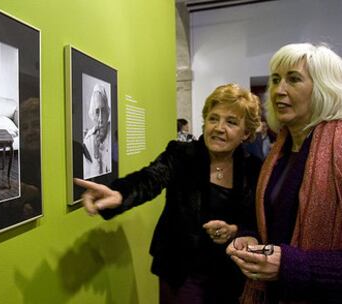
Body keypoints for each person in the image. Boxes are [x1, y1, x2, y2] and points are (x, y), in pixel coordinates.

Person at [75, 83, 262, 303]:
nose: (219, 128)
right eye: (213, 118)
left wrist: (234, 231)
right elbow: (150, 178)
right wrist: (120, 194)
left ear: (246, 132)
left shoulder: (255, 169)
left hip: (230, 274)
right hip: (181, 272)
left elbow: (257, 219)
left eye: (231, 122)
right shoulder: (181, 154)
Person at [226, 43, 342, 304]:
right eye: (276, 79)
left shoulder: (338, 149)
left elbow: (288, 258)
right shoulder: (280, 151)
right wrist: (248, 235)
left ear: (324, 87)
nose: (278, 90)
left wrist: (292, 265)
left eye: (294, 79)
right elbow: (272, 220)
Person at [83, 84, 112, 179]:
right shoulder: (87, 141)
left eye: (103, 110)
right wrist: (96, 155)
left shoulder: (113, 133)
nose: (100, 118)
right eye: (96, 111)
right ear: (92, 114)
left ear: (107, 112)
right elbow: (89, 177)